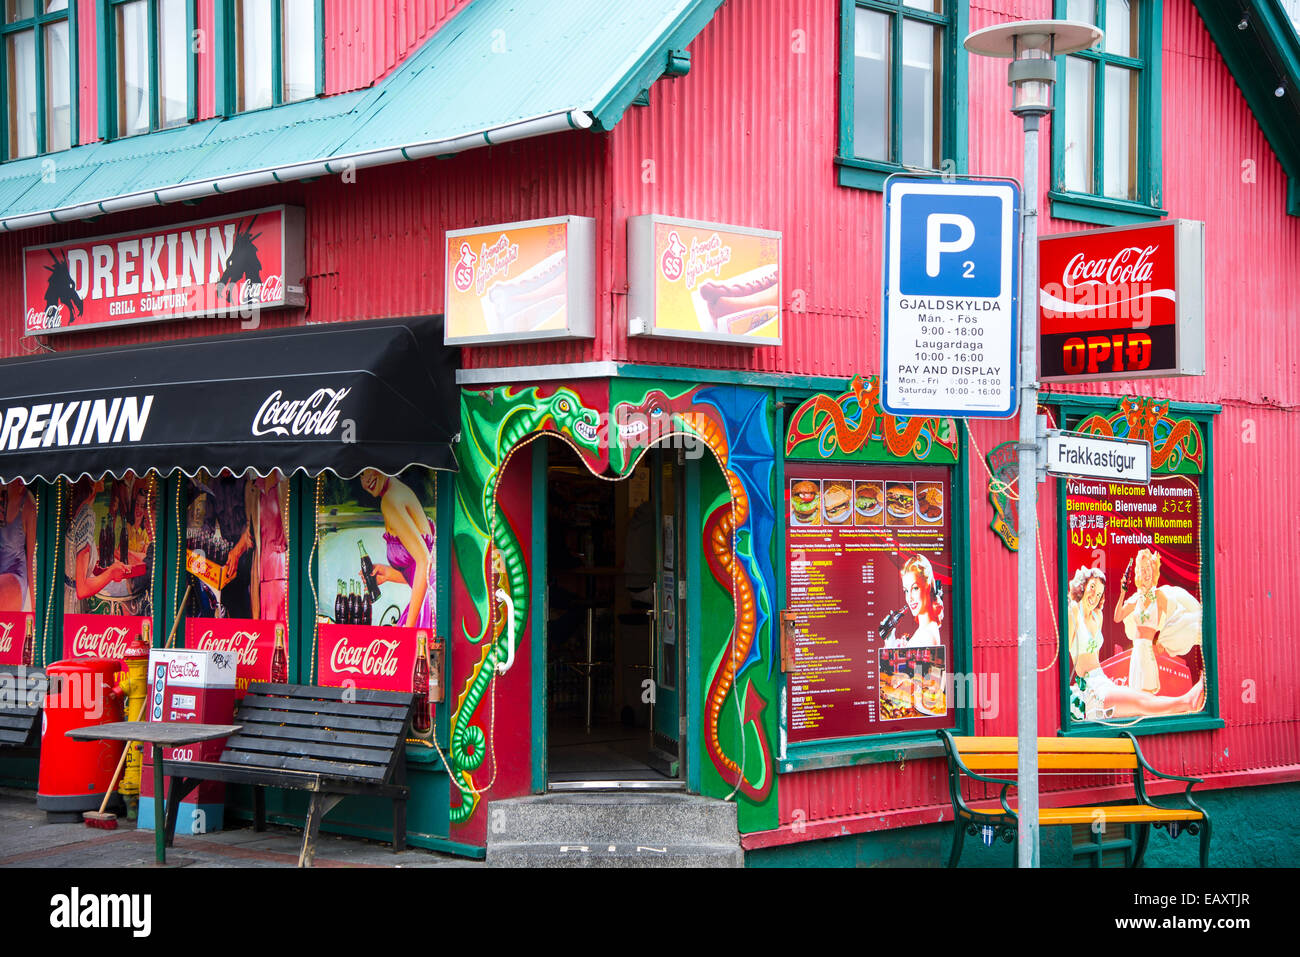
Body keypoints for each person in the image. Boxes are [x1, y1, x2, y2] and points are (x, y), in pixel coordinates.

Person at [1068, 566, 1204, 720]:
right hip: (1090, 689)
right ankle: (1186, 702)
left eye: (1099, 593)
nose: (1094, 595)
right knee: (1141, 702)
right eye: (1092, 587)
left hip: (1102, 680)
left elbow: (1094, 659)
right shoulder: (1073, 611)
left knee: (1142, 699)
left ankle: (1187, 702)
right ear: (1082, 586)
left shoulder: (1097, 617)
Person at [1113, 548, 1204, 691]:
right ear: (1138, 573)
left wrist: (1163, 638)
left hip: (1148, 653)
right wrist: (1122, 592)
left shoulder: (1160, 595)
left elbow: (1176, 614)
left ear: (1153, 569)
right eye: (1142, 569)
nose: (1146, 573)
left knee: (1147, 695)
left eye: (1148, 567)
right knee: (1136, 696)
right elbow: (1118, 617)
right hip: (1135, 655)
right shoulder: (1136, 599)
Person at [359, 469, 435, 629]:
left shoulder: (390, 500)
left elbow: (425, 562)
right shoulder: (400, 491)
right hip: (430, 599)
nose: (366, 480)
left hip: (428, 603)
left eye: (368, 469)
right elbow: (423, 569)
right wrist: (388, 574)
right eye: (361, 474)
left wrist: (408, 630)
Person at [64, 479, 129, 614]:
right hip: (72, 606)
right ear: (90, 481)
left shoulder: (79, 510)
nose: (104, 477)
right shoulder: (87, 514)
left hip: (67, 599)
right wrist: (111, 573)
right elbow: (82, 589)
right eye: (99, 474)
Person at [885, 554, 943, 647]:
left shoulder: (927, 635)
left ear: (928, 587)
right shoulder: (925, 630)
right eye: (906, 591)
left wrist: (889, 645)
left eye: (915, 588)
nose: (909, 598)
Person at [0, 481, 36, 613]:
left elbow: (32, 560)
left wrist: (34, 609)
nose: (23, 479)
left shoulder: (29, 504)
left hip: (15, 572)